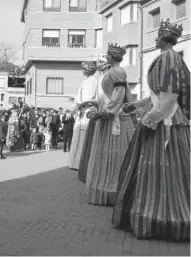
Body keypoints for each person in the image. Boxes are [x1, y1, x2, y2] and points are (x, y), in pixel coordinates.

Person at [113, 20, 190, 241]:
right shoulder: (169, 58)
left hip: (166, 121)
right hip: (165, 116)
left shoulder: (168, 58)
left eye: (157, 36)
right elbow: (159, 94)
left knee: (163, 168)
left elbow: (170, 95)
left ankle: (162, 215)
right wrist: (137, 105)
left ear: (165, 38)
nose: (155, 39)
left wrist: (151, 119)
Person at [85, 43, 135, 206]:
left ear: (113, 56)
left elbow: (119, 95)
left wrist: (105, 112)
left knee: (113, 155)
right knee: (109, 154)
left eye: (107, 55)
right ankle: (106, 186)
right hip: (110, 116)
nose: (105, 57)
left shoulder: (117, 71)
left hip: (114, 119)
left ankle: (110, 188)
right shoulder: (112, 71)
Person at [78, 56, 111, 183]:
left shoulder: (109, 77)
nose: (99, 64)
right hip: (98, 111)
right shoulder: (101, 78)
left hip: (106, 112)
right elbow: (99, 98)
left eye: (101, 62)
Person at [68, 61, 98, 170]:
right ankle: (76, 162)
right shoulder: (86, 81)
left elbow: (90, 98)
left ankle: (81, 163)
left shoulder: (93, 81)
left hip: (87, 112)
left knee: (84, 137)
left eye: (83, 68)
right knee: (79, 136)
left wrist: (80, 104)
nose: (82, 70)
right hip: (82, 112)